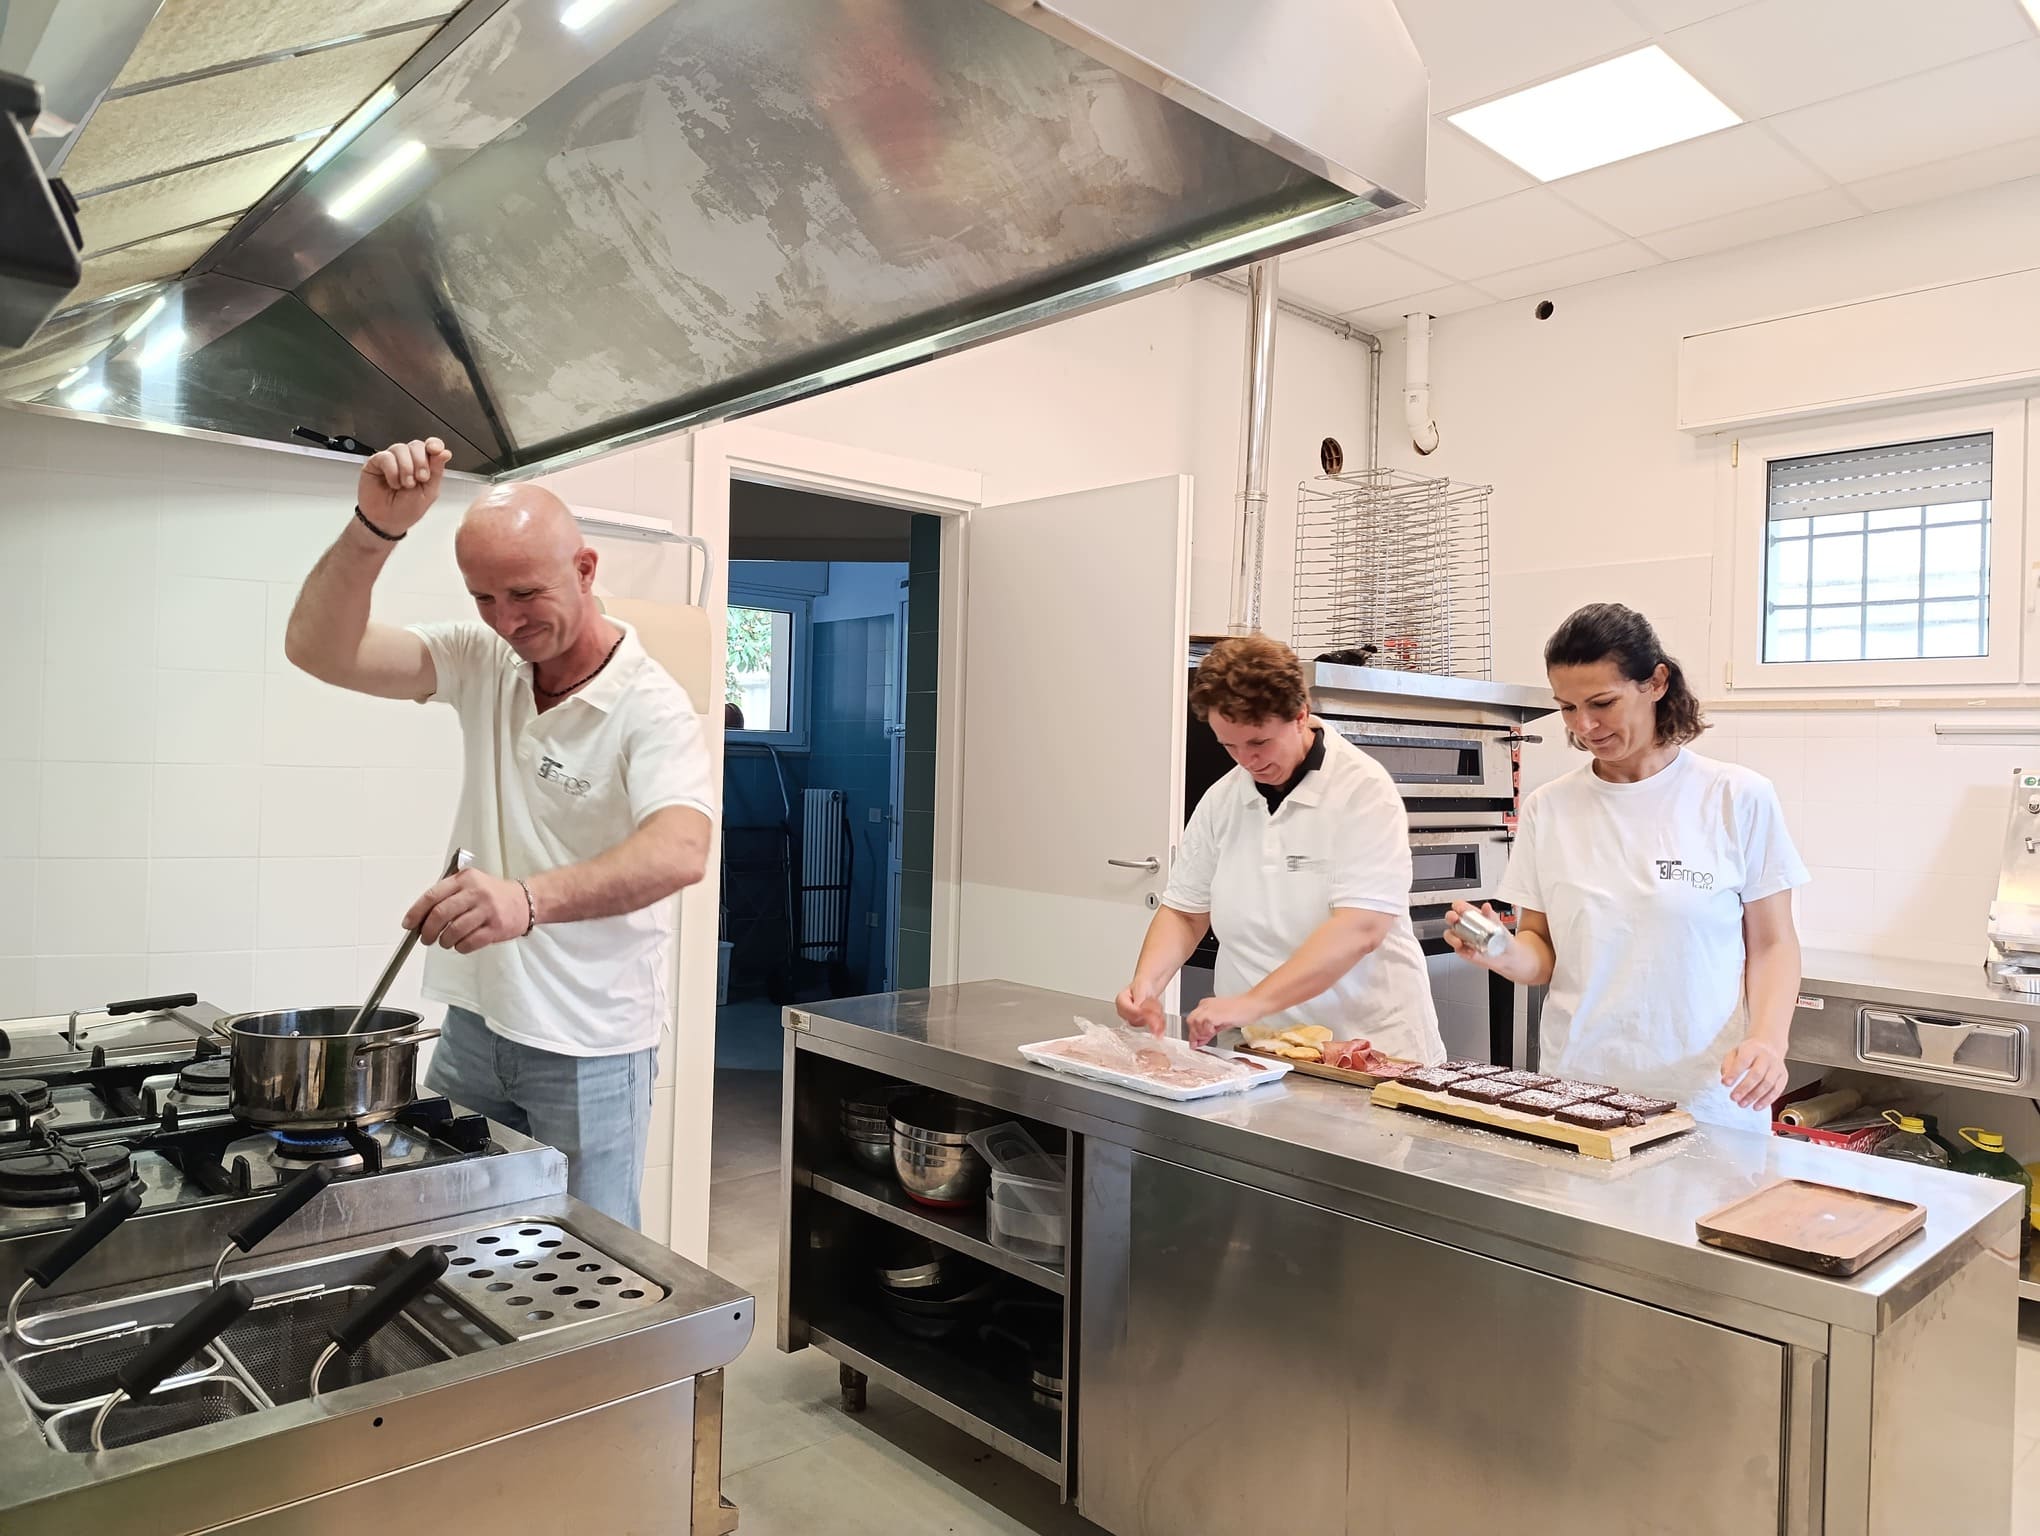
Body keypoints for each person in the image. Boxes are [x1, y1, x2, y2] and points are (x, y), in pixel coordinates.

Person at [284, 436, 715, 1226]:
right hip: (476, 1027)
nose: (506, 620)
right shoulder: (485, 660)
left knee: (588, 1258)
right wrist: (372, 531)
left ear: (585, 570)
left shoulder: (649, 706)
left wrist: (524, 900)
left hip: (589, 1046)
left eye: (524, 592)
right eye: (484, 598)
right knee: (456, 1240)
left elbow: (681, 849)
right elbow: (319, 649)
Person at [1446, 603, 1807, 1127]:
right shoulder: (1550, 807)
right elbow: (1542, 954)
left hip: (1705, 1097)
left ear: (1656, 682)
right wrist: (1498, 951)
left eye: (1602, 703)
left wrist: (1769, 1042)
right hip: (1577, 1094)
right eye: (1567, 708)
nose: (1585, 726)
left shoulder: (1735, 796)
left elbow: (1773, 943)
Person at [1115, 635, 1443, 1063]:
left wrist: (1249, 1003)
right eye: (1229, 746)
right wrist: (1147, 986)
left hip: (1365, 1049)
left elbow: (1360, 928)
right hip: (1260, 1048)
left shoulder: (1362, 790)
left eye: (1259, 743)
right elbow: (1185, 910)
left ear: (1300, 715)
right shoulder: (1224, 798)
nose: (1245, 761)